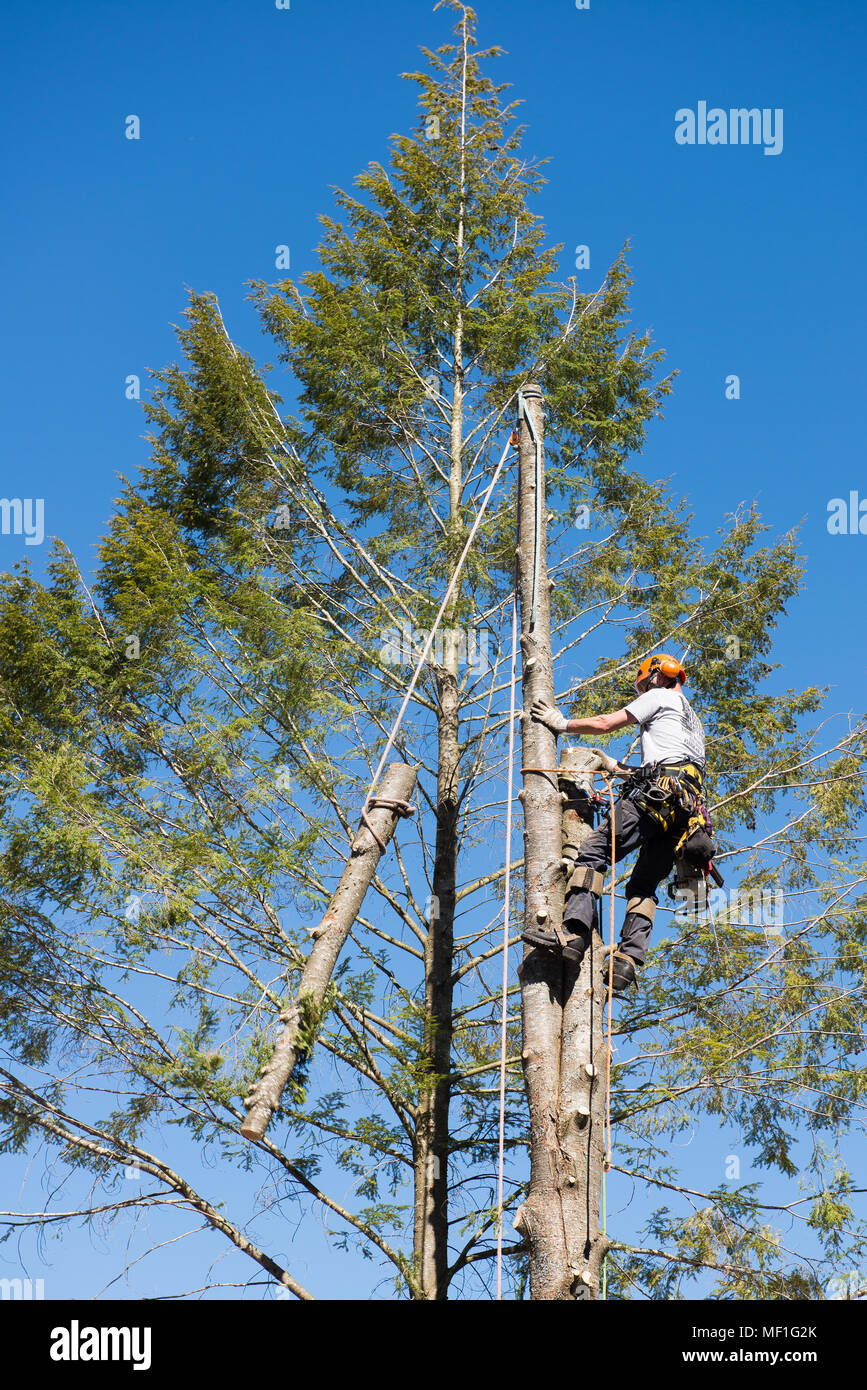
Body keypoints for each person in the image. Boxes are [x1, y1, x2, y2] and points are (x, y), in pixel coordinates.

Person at [527, 653, 708, 993]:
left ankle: (574, 934)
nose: (645, 689)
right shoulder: (694, 722)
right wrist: (615, 767)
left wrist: (561, 723)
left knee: (593, 853)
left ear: (658, 676)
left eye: (646, 682)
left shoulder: (659, 697)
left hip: (653, 800)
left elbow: (605, 722)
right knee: (642, 887)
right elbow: (667, 765)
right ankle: (627, 962)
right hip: (683, 814)